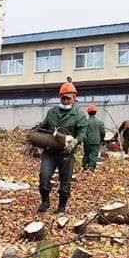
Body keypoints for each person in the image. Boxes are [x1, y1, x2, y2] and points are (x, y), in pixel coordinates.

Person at [35, 80, 87, 213]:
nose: (65, 101)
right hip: (50, 152)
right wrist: (38, 139)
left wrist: (75, 141)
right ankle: (45, 201)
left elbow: (82, 134)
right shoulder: (52, 112)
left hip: (66, 154)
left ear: (74, 98)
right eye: (63, 98)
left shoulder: (79, 115)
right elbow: (43, 127)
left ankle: (62, 205)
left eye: (68, 99)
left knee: (65, 180)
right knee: (44, 176)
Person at [82, 104, 105, 171]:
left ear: (88, 113)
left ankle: (84, 166)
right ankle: (91, 167)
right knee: (94, 155)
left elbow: (83, 132)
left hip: (87, 141)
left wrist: (84, 140)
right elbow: (103, 132)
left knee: (86, 154)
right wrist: (102, 139)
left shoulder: (85, 122)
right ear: (95, 112)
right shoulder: (100, 122)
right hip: (96, 141)